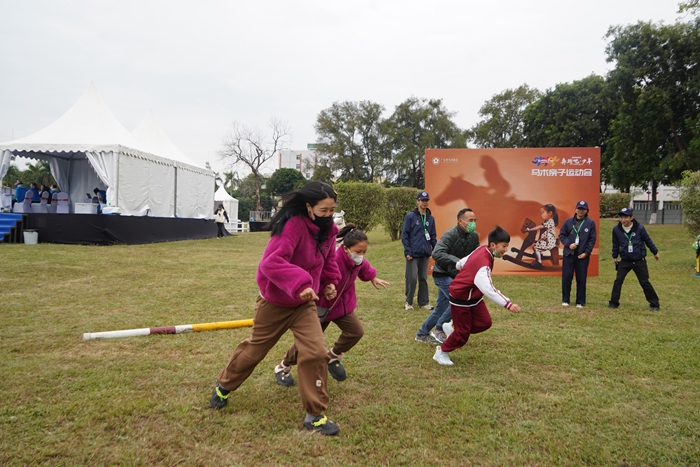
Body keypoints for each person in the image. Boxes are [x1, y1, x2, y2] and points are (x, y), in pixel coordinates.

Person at [209, 181, 343, 436]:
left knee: (316, 353)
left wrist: (329, 283)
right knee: (255, 351)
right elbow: (271, 263)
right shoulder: (293, 225)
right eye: (324, 210)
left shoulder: (329, 230)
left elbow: (328, 259)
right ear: (308, 206)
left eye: (332, 210)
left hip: (304, 304)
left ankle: (314, 415)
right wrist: (301, 283)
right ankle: (223, 385)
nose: (328, 215)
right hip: (275, 301)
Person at [274, 223, 390, 386]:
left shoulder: (357, 261)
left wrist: (372, 277)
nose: (361, 255)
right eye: (358, 252)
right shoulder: (333, 259)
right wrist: (325, 289)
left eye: (364, 252)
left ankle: (333, 356)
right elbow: (315, 279)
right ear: (345, 249)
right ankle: (283, 367)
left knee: (356, 331)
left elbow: (364, 267)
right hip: (323, 307)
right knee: (306, 342)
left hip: (343, 307)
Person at [433, 226, 522, 366]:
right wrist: (508, 304)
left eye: (507, 246)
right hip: (461, 297)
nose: (505, 249)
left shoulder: (482, 249)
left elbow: (462, 262)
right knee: (463, 335)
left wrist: (459, 266)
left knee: (484, 322)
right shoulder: (484, 264)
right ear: (493, 245)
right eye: (504, 246)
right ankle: (441, 352)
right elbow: (489, 289)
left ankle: (454, 328)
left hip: (473, 297)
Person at [415, 208, 480, 344]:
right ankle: (440, 328)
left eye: (475, 220)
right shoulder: (450, 235)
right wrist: (456, 260)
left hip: (456, 276)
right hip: (442, 274)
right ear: (460, 221)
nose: (473, 223)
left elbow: (476, 255)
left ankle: (422, 333)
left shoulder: (474, 236)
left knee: (441, 307)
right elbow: (437, 253)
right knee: (458, 301)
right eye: (470, 221)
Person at [608, 208, 660, 311]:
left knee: (644, 282)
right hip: (625, 261)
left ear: (631, 218)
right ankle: (614, 303)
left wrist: (655, 252)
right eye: (621, 217)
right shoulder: (616, 229)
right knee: (618, 281)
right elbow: (615, 244)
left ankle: (654, 303)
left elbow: (647, 240)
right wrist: (615, 256)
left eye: (626, 217)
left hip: (639, 260)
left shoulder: (640, 228)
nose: (623, 220)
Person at [401, 191, 437, 311]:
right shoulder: (410, 216)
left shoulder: (430, 218)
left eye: (426, 200)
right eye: (422, 200)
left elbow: (432, 236)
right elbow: (405, 235)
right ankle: (409, 301)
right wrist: (407, 251)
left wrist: (435, 250)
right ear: (418, 201)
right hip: (413, 253)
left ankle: (423, 302)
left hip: (425, 253)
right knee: (412, 278)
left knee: (423, 278)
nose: (424, 202)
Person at [558, 200, 597, 308]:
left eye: (583, 209)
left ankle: (580, 301)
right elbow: (562, 235)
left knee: (581, 278)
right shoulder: (568, 222)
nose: (581, 211)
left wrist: (587, 252)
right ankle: (566, 300)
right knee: (566, 277)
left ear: (586, 211)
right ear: (575, 210)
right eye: (579, 209)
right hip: (569, 254)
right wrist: (568, 244)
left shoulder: (590, 223)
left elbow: (592, 239)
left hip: (582, 255)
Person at [526, 204, 559, 268]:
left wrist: (530, 229)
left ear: (550, 213)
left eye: (543, 212)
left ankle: (539, 261)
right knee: (536, 245)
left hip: (549, 242)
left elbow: (539, 227)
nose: (541, 214)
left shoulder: (550, 221)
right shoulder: (548, 221)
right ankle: (539, 255)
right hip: (546, 240)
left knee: (536, 247)